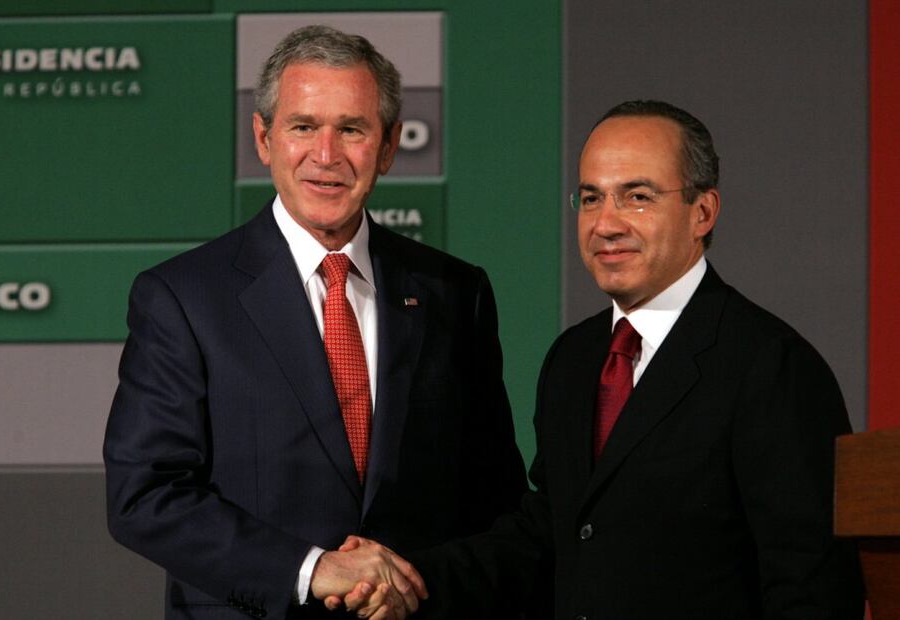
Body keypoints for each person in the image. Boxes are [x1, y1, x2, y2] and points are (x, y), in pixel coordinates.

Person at [333, 100, 865, 618]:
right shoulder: (575, 358)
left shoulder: (773, 367)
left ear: (702, 212)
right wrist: (409, 581)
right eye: (591, 199)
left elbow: (813, 590)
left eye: (636, 197)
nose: (606, 224)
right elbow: (547, 535)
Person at [102, 25, 527, 620]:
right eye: (303, 127)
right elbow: (145, 496)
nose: (325, 155)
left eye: (351, 129)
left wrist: (414, 582)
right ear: (264, 138)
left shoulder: (455, 293)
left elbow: (496, 504)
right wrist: (312, 570)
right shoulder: (183, 297)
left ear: (387, 146)